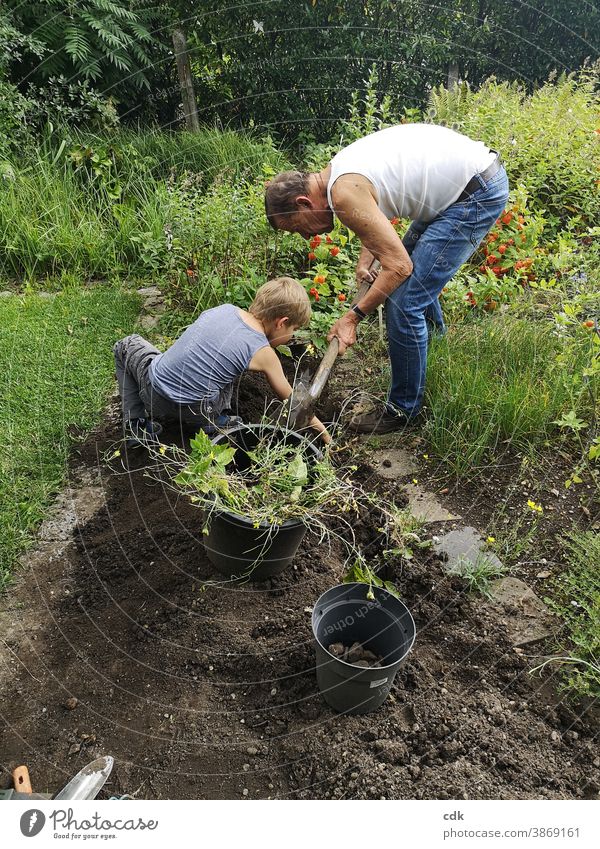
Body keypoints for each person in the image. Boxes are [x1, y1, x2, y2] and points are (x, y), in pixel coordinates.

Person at [265, 123, 510, 433]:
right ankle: (433, 346)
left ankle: (402, 410)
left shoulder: (341, 194)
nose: (304, 235)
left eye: (297, 227)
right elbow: (376, 212)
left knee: (405, 301)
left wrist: (352, 318)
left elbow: (399, 267)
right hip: (461, 186)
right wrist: (367, 259)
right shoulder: (334, 174)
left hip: (472, 194)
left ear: (303, 203)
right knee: (412, 282)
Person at [113, 276, 330, 446]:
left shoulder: (223, 310)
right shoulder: (265, 354)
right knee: (230, 366)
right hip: (199, 412)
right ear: (281, 322)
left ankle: (136, 426)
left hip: (154, 396)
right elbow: (295, 404)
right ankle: (217, 422)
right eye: (294, 329)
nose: (293, 336)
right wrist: (323, 432)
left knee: (126, 345)